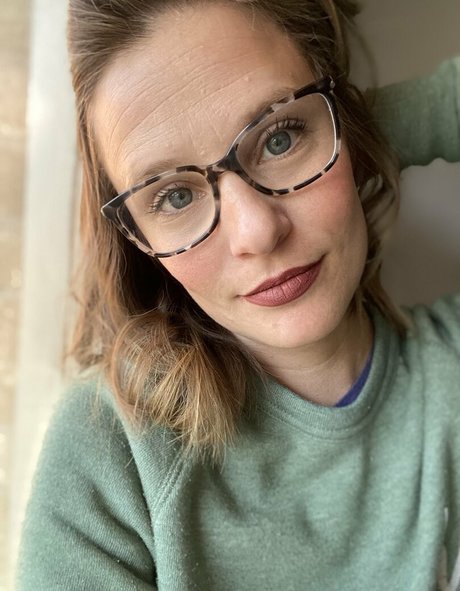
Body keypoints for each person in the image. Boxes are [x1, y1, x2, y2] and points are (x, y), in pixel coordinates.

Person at [17, 0, 460, 589]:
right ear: (139, 239)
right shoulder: (111, 452)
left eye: (280, 137)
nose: (257, 233)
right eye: (174, 196)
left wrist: (352, 127)